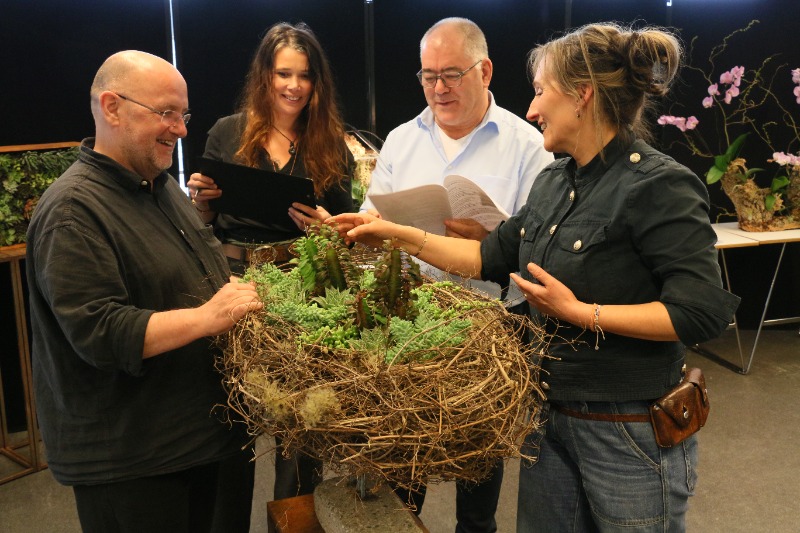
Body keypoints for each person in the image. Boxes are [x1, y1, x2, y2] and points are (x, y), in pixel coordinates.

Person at [331, 22, 741, 533]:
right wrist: (395, 234)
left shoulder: (660, 185)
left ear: (583, 96)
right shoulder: (554, 183)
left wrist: (581, 314)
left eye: (541, 91)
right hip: (548, 425)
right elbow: (486, 256)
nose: (531, 108)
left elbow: (698, 313)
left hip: (628, 432)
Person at [25, 50, 263, 533]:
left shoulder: (160, 187)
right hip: (133, 463)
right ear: (111, 107)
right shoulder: (73, 211)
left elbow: (193, 275)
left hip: (193, 441)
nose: (180, 129)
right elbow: (101, 332)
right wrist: (209, 316)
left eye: (184, 114)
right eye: (166, 113)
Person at [357, 16, 552, 533]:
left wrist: (493, 240)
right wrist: (372, 226)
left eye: (451, 74)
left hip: (491, 324)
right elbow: (372, 215)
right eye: (427, 76)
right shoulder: (401, 140)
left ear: (484, 71)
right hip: (412, 321)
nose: (438, 89)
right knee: (403, 461)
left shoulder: (526, 144)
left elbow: (542, 244)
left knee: (478, 469)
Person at [186, 22, 353, 503]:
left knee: (301, 423)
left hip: (299, 287)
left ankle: (293, 516)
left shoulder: (328, 142)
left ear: (316, 83)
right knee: (229, 412)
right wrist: (203, 202)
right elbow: (204, 220)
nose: (293, 86)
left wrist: (327, 227)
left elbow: (344, 232)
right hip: (234, 279)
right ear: (265, 75)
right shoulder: (228, 132)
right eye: (284, 73)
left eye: (304, 76)